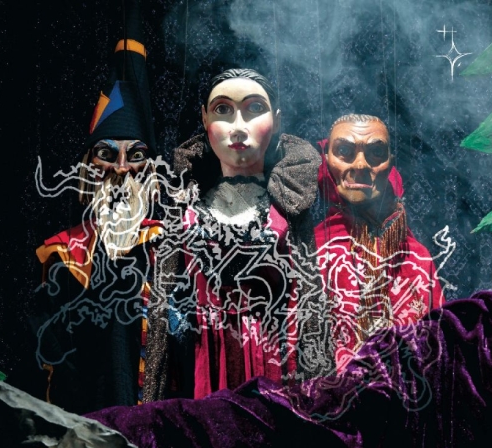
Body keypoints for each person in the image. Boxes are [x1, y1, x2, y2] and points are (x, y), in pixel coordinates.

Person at [141, 68, 327, 402]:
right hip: (202, 362)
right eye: (223, 110)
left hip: (272, 363)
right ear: (204, 119)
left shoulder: (291, 203)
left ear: (277, 121)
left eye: (254, 109)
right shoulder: (183, 204)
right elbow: (162, 309)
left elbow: (310, 307)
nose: (238, 127)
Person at [33, 0, 161, 413]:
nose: (121, 169)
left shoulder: (169, 248)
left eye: (135, 155)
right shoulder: (62, 255)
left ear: (150, 171)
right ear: (88, 168)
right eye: (107, 154)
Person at [314, 114, 445, 369]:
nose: (360, 164)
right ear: (326, 159)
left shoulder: (416, 258)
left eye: (376, 152)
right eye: (344, 151)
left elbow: (438, 350)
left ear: (390, 163)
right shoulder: (312, 251)